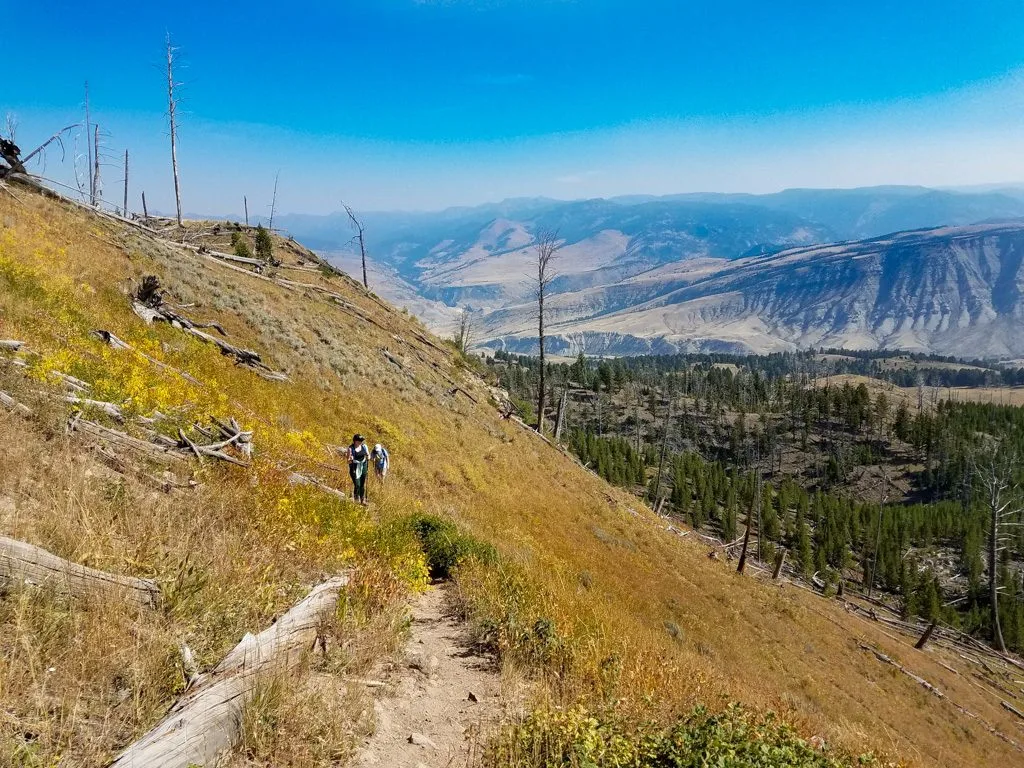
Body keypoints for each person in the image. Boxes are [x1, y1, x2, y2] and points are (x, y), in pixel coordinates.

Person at [346, 433, 370, 505]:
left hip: (363, 465)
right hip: (354, 467)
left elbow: (368, 455)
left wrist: (368, 457)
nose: (361, 442)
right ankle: (357, 499)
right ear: (355, 441)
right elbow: (348, 461)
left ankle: (363, 500)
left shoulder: (364, 446)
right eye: (359, 440)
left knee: (362, 483)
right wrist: (350, 459)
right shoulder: (350, 449)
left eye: (361, 440)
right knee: (357, 484)